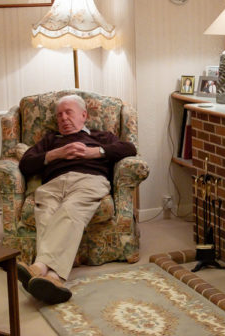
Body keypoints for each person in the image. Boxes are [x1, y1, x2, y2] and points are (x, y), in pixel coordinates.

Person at [16, 94, 137, 304]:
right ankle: (52, 278)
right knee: (45, 214)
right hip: (53, 185)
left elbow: (129, 149)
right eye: (59, 115)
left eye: (68, 112)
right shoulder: (50, 140)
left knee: (70, 211)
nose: (63, 118)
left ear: (84, 115)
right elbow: (25, 164)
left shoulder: (101, 136)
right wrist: (56, 154)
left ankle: (39, 267)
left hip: (88, 181)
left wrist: (95, 152)